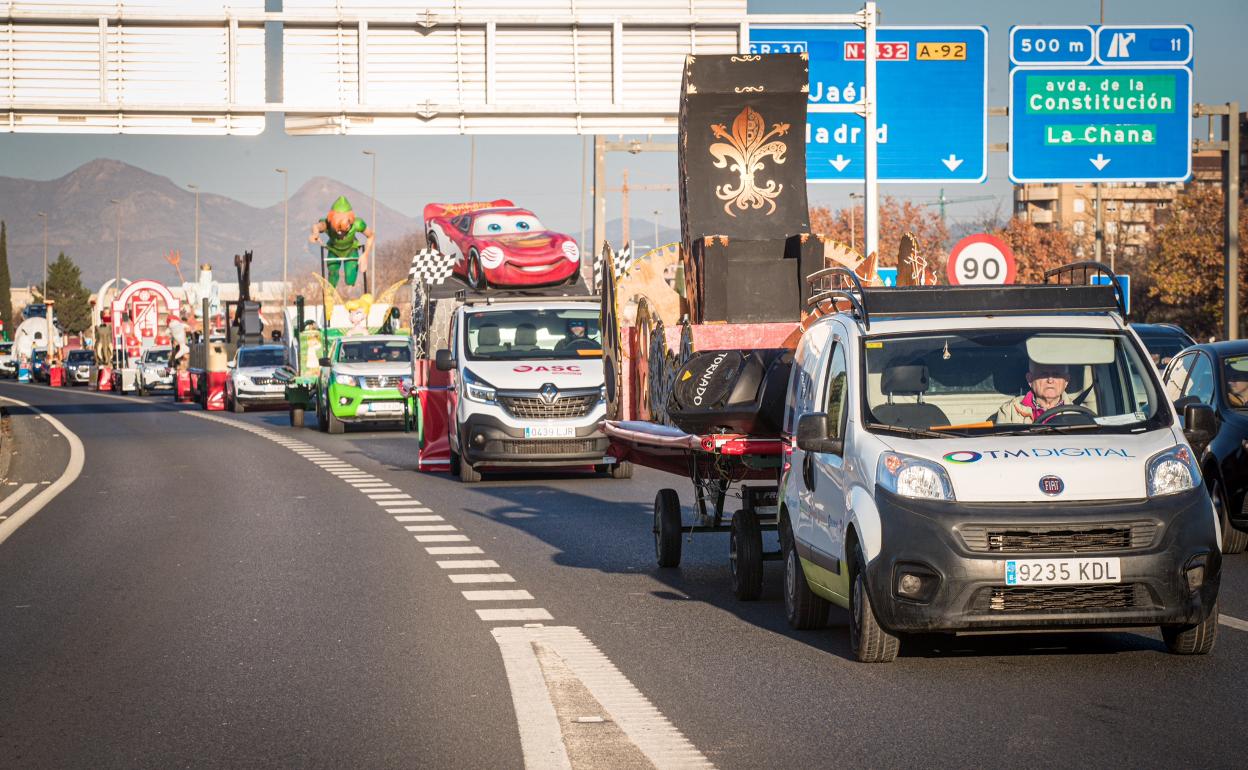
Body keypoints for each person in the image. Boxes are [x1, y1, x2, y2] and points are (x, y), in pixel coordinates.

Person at [309, 196, 375, 288]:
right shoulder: (327, 224)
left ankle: (350, 283)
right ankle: (330, 297)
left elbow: (371, 235)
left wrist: (365, 255)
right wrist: (315, 234)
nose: (340, 233)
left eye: (344, 229)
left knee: (350, 279)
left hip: (350, 250)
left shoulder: (357, 224)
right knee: (332, 276)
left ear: (350, 222)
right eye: (337, 229)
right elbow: (316, 226)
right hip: (334, 250)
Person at [996, 361, 1070, 424]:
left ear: (1066, 381)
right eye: (1043, 374)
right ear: (1030, 379)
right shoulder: (1010, 410)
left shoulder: (1078, 413)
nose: (1050, 380)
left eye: (1056, 375)